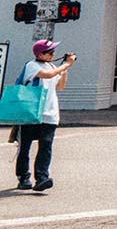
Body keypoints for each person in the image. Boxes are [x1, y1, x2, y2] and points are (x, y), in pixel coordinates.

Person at [15, 39, 76, 192]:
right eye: (50, 52)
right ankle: (23, 177)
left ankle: (42, 178)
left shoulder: (52, 66)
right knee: (25, 147)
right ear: (40, 54)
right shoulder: (31, 66)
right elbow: (47, 76)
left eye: (53, 52)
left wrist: (64, 71)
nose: (53, 54)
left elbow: (60, 86)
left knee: (46, 146)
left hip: (50, 114)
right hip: (31, 112)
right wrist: (67, 64)